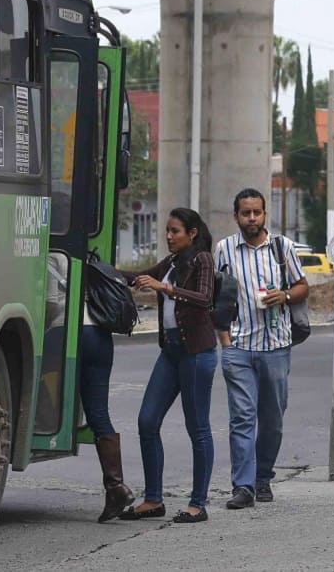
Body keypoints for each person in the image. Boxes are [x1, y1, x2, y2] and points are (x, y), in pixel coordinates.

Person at [119, 208, 218, 523]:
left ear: (191, 233)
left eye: (175, 231)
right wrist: (103, 271)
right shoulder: (172, 263)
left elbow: (204, 298)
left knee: (197, 428)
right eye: (167, 231)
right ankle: (153, 500)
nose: (169, 236)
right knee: (147, 421)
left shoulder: (201, 259)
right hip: (171, 352)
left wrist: (165, 288)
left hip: (197, 354)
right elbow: (139, 277)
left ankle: (198, 503)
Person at [213, 189, 308, 509]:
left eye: (256, 212)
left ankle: (263, 476)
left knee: (272, 419)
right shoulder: (224, 249)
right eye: (245, 213)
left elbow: (302, 285)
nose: (251, 218)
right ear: (236, 215)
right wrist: (224, 341)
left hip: (277, 347)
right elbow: (216, 297)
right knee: (242, 418)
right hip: (238, 347)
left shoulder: (283, 248)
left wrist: (285, 295)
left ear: (265, 214)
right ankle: (243, 486)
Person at [80, 312, 134, 522]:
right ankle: (116, 487)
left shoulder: (59, 276)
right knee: (98, 413)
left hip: (72, 333)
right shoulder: (98, 276)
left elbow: (50, 302)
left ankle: (117, 488)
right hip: (101, 336)